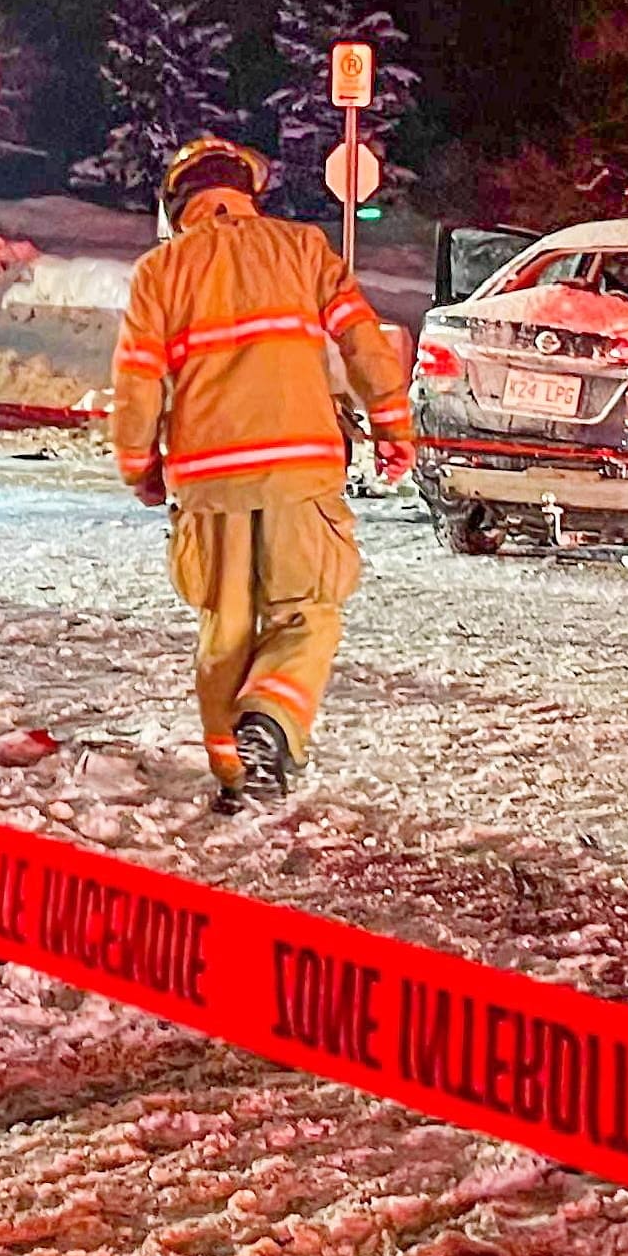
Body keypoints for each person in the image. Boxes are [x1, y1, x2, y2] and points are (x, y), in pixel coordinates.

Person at [112, 136, 414, 810]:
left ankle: (236, 776)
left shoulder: (160, 272)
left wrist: (140, 466)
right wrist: (392, 425)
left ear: (180, 204)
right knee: (306, 614)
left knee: (225, 627)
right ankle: (269, 730)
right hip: (300, 474)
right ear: (246, 190)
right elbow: (365, 342)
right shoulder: (304, 249)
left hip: (207, 483)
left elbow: (135, 385)